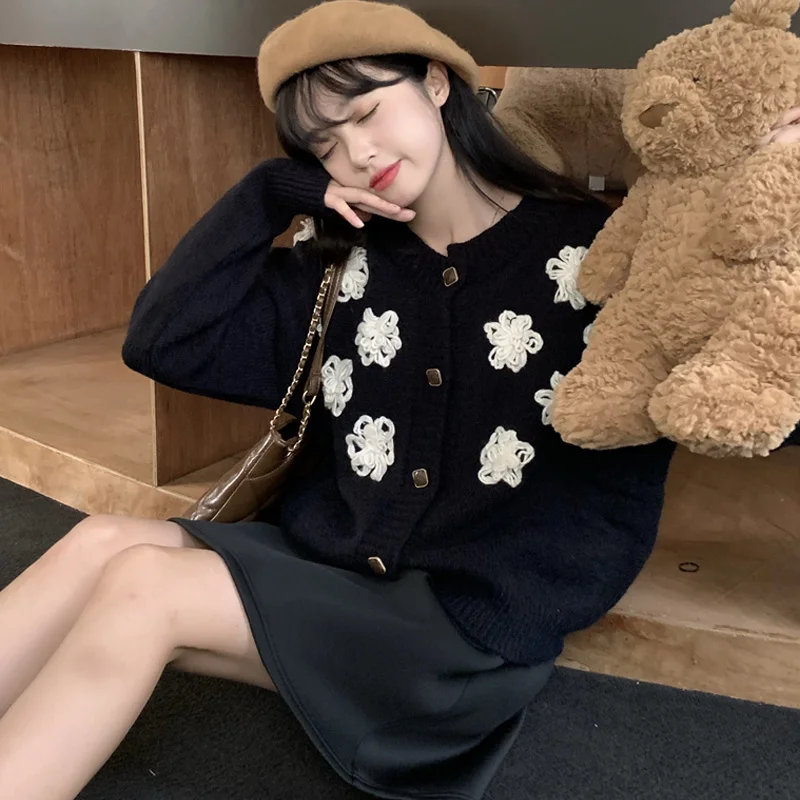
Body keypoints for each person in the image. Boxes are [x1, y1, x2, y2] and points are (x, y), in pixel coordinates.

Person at [0, 2, 798, 798]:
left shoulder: (602, 256)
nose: (358, 153)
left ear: (437, 84)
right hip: (331, 572)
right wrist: (272, 193)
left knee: (143, 587)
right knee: (100, 543)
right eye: (323, 145)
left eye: (367, 111)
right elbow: (163, 341)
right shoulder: (340, 266)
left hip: (463, 629)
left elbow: (768, 383)